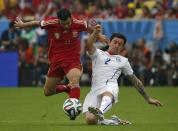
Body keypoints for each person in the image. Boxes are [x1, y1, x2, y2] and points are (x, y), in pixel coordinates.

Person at [14, 8, 108, 120]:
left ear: (71, 18)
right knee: (48, 92)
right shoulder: (52, 23)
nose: (66, 26)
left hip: (72, 60)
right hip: (56, 61)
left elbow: (89, 28)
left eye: (68, 23)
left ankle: (73, 110)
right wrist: (23, 25)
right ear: (58, 21)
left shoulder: (79, 23)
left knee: (74, 81)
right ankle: (66, 88)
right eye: (63, 24)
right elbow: (37, 22)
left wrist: (99, 36)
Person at [82, 25, 163, 125]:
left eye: (120, 44)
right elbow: (89, 45)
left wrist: (148, 98)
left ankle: (100, 111)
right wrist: (95, 33)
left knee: (107, 93)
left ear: (122, 47)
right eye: (115, 42)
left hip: (110, 87)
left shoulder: (123, 61)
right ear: (109, 42)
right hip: (95, 90)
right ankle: (114, 122)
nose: (116, 45)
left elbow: (135, 81)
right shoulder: (98, 53)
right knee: (90, 120)